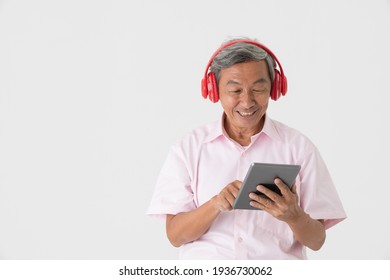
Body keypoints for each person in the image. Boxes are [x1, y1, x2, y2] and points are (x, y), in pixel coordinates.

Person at [147, 38, 346, 259]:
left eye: (258, 89)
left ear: (274, 88)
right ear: (214, 90)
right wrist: (214, 205)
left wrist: (294, 215)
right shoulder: (188, 149)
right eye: (236, 90)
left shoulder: (299, 148)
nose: (247, 101)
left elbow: (317, 240)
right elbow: (175, 236)